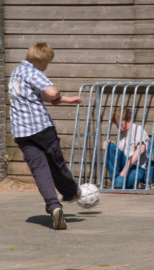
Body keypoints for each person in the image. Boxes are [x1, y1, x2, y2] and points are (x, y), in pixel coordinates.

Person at [8, 42, 82, 230]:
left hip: (22, 133)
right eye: (47, 63)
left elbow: (35, 95)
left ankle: (54, 207)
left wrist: (65, 100)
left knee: (40, 170)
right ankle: (71, 191)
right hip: (41, 128)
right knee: (56, 163)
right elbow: (51, 92)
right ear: (42, 61)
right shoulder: (34, 71)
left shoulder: (16, 73)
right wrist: (57, 93)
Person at [102, 106, 149, 189]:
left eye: (121, 124)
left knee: (120, 183)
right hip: (124, 163)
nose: (120, 128)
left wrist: (126, 167)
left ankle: (118, 184)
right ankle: (118, 182)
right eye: (117, 126)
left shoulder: (137, 129)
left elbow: (141, 149)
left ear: (129, 119)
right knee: (109, 146)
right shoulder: (122, 134)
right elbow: (119, 153)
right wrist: (108, 144)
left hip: (136, 167)